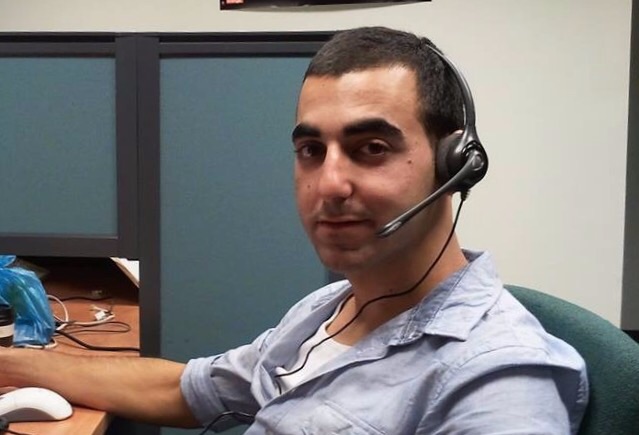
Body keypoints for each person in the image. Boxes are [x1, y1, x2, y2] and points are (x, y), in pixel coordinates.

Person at [0, 26, 588, 434]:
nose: (328, 183)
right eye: (311, 150)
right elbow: (186, 390)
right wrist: (13, 367)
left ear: (455, 164)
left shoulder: (498, 381)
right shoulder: (330, 309)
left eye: (371, 148)